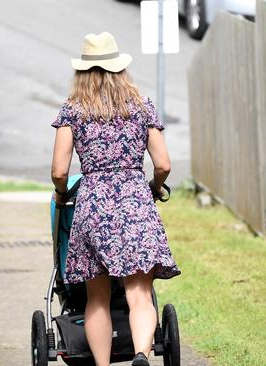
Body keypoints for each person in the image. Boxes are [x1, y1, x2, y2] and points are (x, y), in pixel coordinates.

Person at [50, 32, 181, 366]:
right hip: (135, 201)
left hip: (93, 205)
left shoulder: (73, 111)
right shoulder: (141, 107)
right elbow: (164, 164)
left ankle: (103, 364)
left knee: (97, 297)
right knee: (138, 294)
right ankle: (140, 353)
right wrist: (153, 186)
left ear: (82, 72)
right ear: (120, 69)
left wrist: (62, 195)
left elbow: (59, 172)